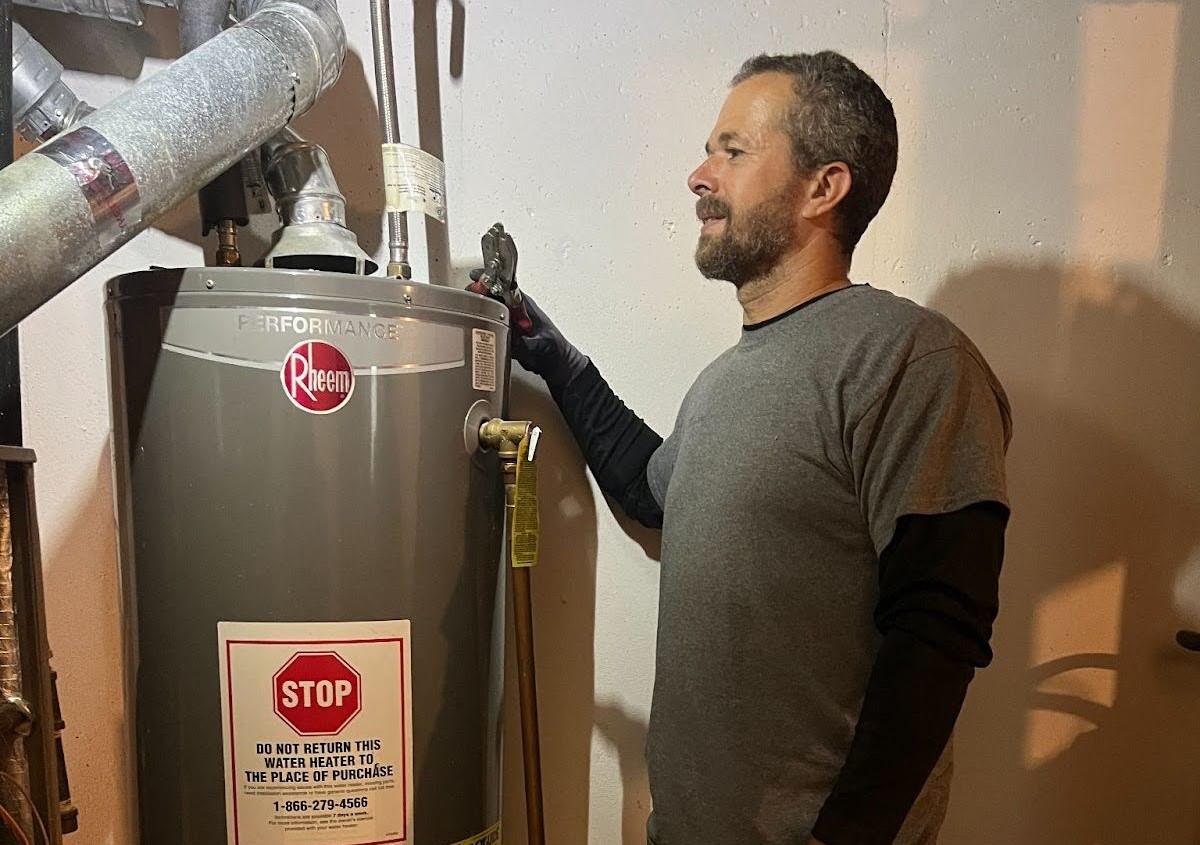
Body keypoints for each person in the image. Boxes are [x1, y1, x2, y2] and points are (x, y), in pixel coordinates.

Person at [476, 51, 1011, 845]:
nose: (699, 174)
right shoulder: (726, 381)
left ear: (823, 187)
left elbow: (939, 627)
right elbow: (652, 492)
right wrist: (554, 356)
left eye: (732, 150)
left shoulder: (913, 361)